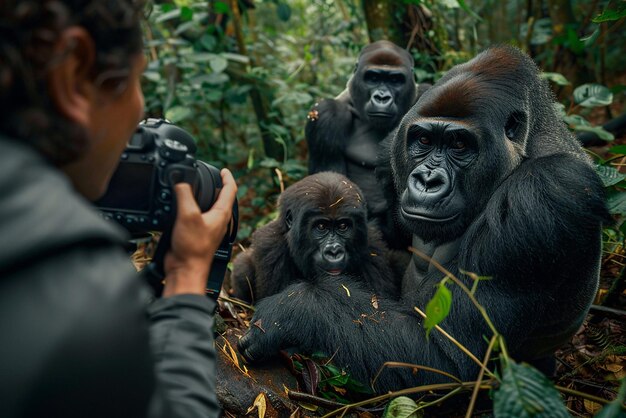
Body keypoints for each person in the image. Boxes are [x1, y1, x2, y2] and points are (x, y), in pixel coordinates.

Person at [0, 1, 236, 417]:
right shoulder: (80, 297)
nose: (140, 108)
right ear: (74, 74)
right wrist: (185, 280)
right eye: (137, 79)